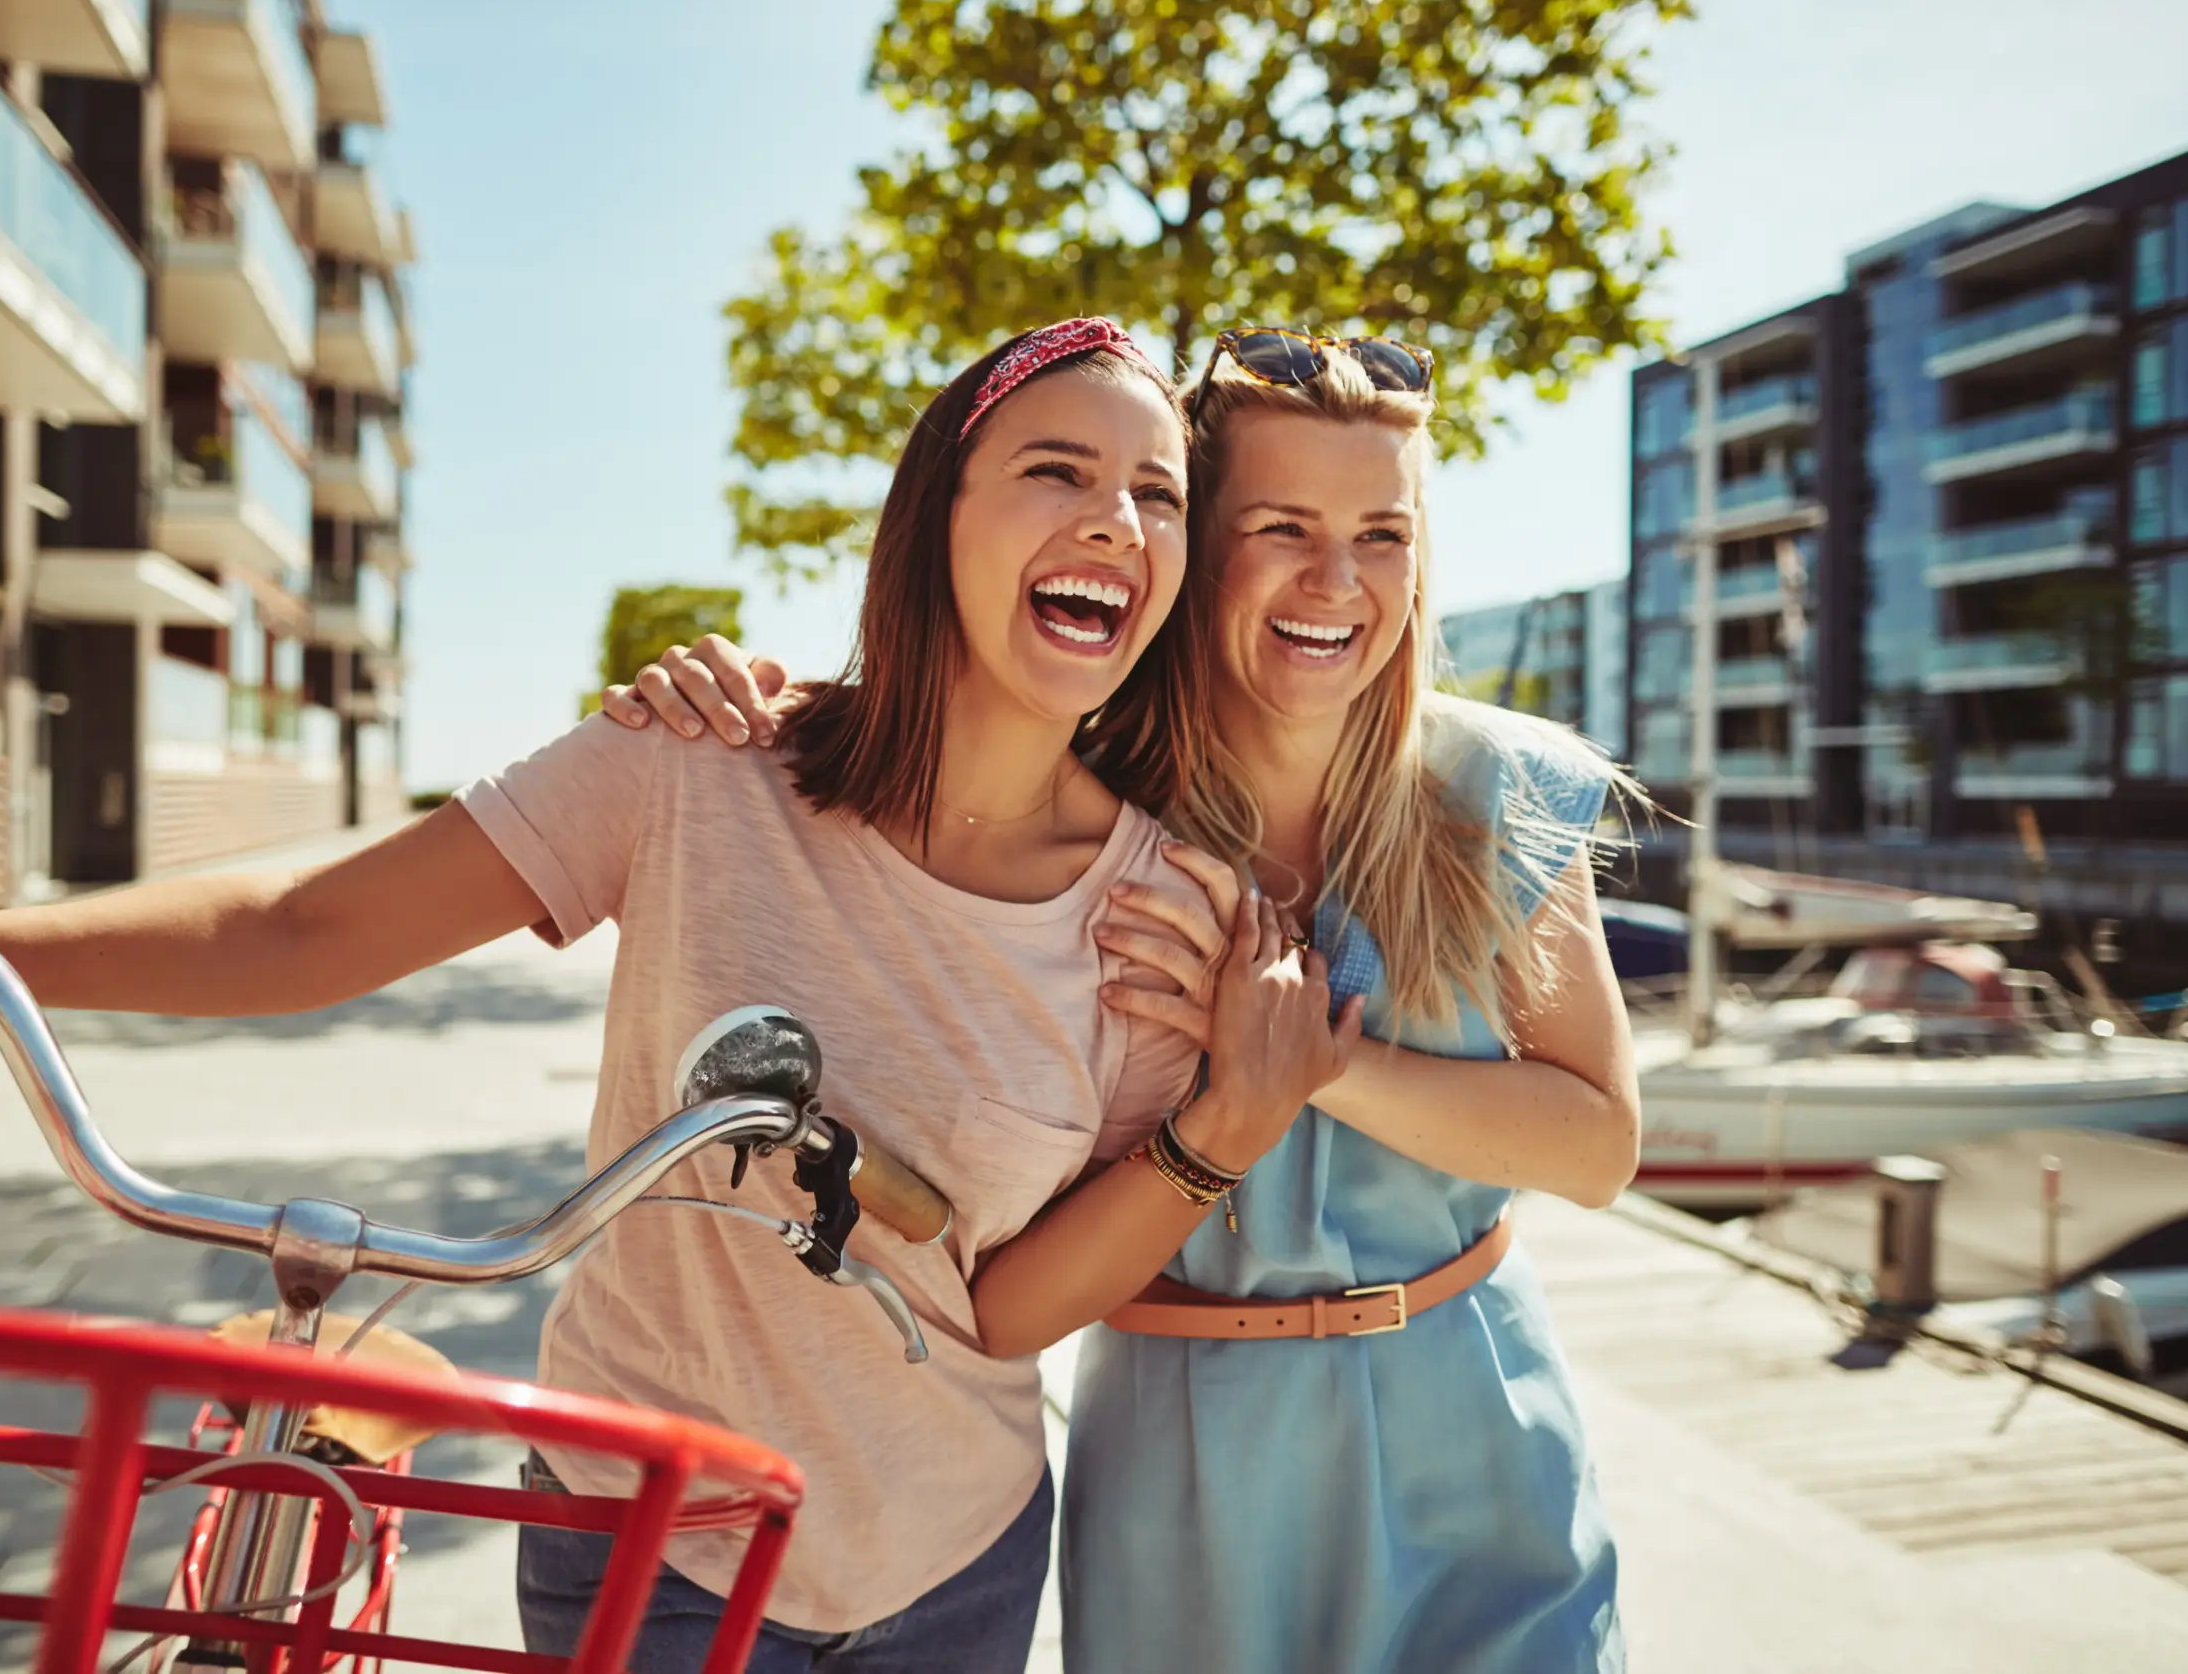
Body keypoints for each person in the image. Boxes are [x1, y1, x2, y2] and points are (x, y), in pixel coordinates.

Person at [0, 319, 1334, 1674]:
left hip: (955, 1563)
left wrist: (1223, 1129)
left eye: (1158, 496)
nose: (1119, 521)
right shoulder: (700, 763)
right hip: (647, 1540)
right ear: (936, 518)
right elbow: (298, 928)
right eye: (1057, 470)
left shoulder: (1167, 909)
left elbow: (1019, 1304)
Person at [600, 326, 1644, 1672]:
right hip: (1189, 1462)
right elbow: (879, 765)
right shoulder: (1080, 806)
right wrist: (723, 705)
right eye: (1282, 526)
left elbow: (1599, 1140)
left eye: (1384, 534)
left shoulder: (1497, 789)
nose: (1339, 580)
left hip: (1478, 1432)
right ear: (1196, 546)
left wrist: (1304, 1061)